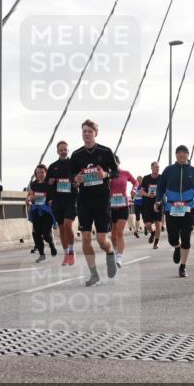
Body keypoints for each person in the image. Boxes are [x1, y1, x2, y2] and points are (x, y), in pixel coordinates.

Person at [69, 119, 120, 286]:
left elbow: (115, 172)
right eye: (84, 131)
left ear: (95, 133)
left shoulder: (105, 152)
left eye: (89, 131)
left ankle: (110, 251)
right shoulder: (76, 155)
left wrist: (105, 174)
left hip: (102, 199)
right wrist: (76, 179)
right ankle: (93, 274)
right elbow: (71, 177)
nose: (86, 134)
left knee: (101, 239)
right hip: (84, 200)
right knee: (85, 238)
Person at [156, 145, 194, 278]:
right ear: (176, 155)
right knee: (172, 238)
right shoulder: (169, 170)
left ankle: (183, 266)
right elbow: (161, 187)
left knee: (186, 238)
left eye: (184, 153)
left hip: (189, 208)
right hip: (171, 208)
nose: (182, 155)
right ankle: (176, 247)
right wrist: (158, 200)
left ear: (188, 155)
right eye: (179, 153)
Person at [47, 141, 77, 266]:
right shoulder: (53, 166)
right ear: (57, 151)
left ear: (68, 150)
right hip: (57, 201)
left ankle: (72, 251)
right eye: (61, 150)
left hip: (71, 199)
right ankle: (66, 254)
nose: (63, 151)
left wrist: (76, 182)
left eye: (65, 149)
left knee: (67, 225)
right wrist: (50, 183)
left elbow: (79, 179)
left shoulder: (74, 164)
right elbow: (48, 184)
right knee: (61, 228)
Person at [108, 157, 138, 267]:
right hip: (111, 207)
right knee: (113, 234)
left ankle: (119, 258)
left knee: (119, 232)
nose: (113, 165)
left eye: (115, 163)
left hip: (123, 206)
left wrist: (133, 190)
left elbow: (136, 183)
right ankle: (115, 252)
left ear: (119, 163)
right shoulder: (107, 175)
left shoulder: (125, 173)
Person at [27, 164, 57, 262]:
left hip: (47, 212)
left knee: (46, 235)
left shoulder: (50, 183)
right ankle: (42, 255)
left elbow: (56, 195)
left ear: (46, 173)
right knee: (37, 234)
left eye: (42, 172)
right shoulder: (34, 184)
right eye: (38, 172)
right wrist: (29, 199)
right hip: (36, 210)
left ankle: (51, 243)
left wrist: (52, 200)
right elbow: (30, 196)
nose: (40, 174)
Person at [139, 162, 163, 248]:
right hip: (147, 203)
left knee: (158, 225)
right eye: (156, 167)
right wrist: (148, 195)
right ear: (152, 168)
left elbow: (165, 191)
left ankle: (156, 243)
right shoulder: (146, 178)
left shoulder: (161, 178)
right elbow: (141, 192)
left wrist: (159, 199)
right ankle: (152, 233)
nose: (157, 169)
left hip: (158, 203)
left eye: (158, 167)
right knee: (148, 225)